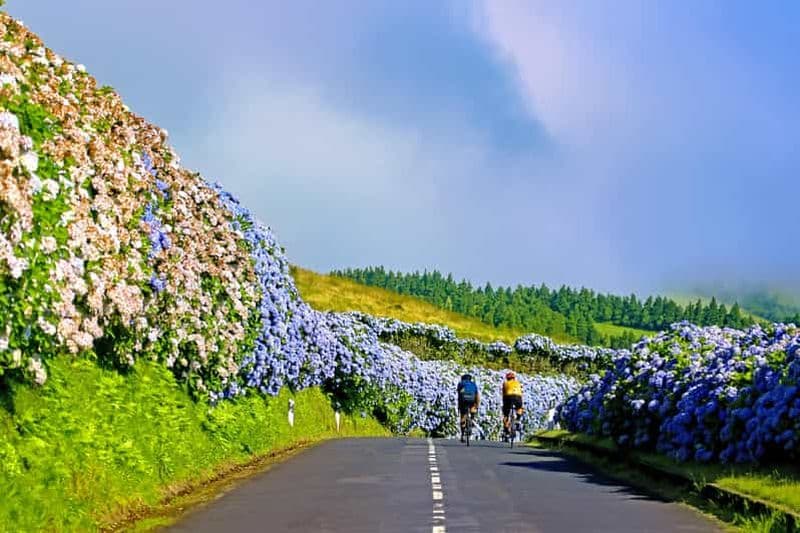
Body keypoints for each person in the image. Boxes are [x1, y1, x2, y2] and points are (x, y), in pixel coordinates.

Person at [457, 374, 480, 442]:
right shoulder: (473, 384)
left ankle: (463, 434)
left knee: (463, 415)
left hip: (463, 400)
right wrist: (476, 406)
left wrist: (459, 406)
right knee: (473, 407)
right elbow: (477, 395)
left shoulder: (461, 383)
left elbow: (459, 395)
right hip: (472, 400)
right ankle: (472, 419)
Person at [501, 371, 523, 440]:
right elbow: (521, 393)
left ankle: (507, 429)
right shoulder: (518, 383)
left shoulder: (505, 383)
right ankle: (518, 419)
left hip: (508, 398)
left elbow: (504, 394)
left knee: (506, 414)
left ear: (507, 378)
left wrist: (504, 405)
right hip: (518, 397)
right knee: (519, 408)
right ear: (514, 378)